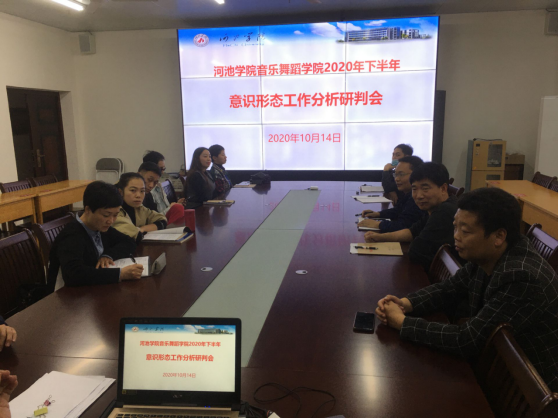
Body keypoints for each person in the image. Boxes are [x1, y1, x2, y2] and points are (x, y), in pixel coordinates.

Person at [376, 187, 558, 391]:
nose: (456, 236)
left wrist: (402, 322)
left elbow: (467, 340)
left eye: (466, 231)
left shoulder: (522, 277)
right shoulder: (492, 253)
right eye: (455, 227)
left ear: (499, 236)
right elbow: (450, 288)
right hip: (501, 369)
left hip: (528, 391)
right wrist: (405, 303)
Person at [48, 181, 143, 287]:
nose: (111, 221)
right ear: (88, 210)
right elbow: (74, 274)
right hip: (67, 293)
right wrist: (120, 274)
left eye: (115, 215)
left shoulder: (100, 227)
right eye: (106, 215)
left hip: (94, 287)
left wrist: (108, 255)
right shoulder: (72, 235)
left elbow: (129, 241)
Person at [365, 162, 457, 271]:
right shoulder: (436, 208)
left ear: (443, 189)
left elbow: (416, 251)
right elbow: (411, 232)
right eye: (414, 189)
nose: (419, 196)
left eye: (425, 188)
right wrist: (380, 237)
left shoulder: (445, 211)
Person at [359, 156, 425, 233]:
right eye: (395, 174)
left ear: (416, 174)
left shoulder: (419, 198)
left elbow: (404, 225)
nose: (396, 179)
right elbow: (398, 210)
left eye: (401, 174)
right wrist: (379, 214)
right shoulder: (408, 194)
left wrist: (379, 224)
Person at [113, 173, 167, 242]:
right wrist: (141, 231)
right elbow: (134, 234)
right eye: (133, 190)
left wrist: (143, 229)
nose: (138, 195)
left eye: (142, 191)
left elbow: (162, 220)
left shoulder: (139, 208)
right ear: (121, 192)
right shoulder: (114, 211)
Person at [142, 151, 186, 224]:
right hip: (160, 222)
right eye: (160, 169)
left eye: (164, 169)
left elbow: (166, 207)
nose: (162, 172)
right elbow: (154, 218)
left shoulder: (159, 185)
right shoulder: (147, 191)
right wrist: (172, 207)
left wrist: (175, 205)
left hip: (165, 218)